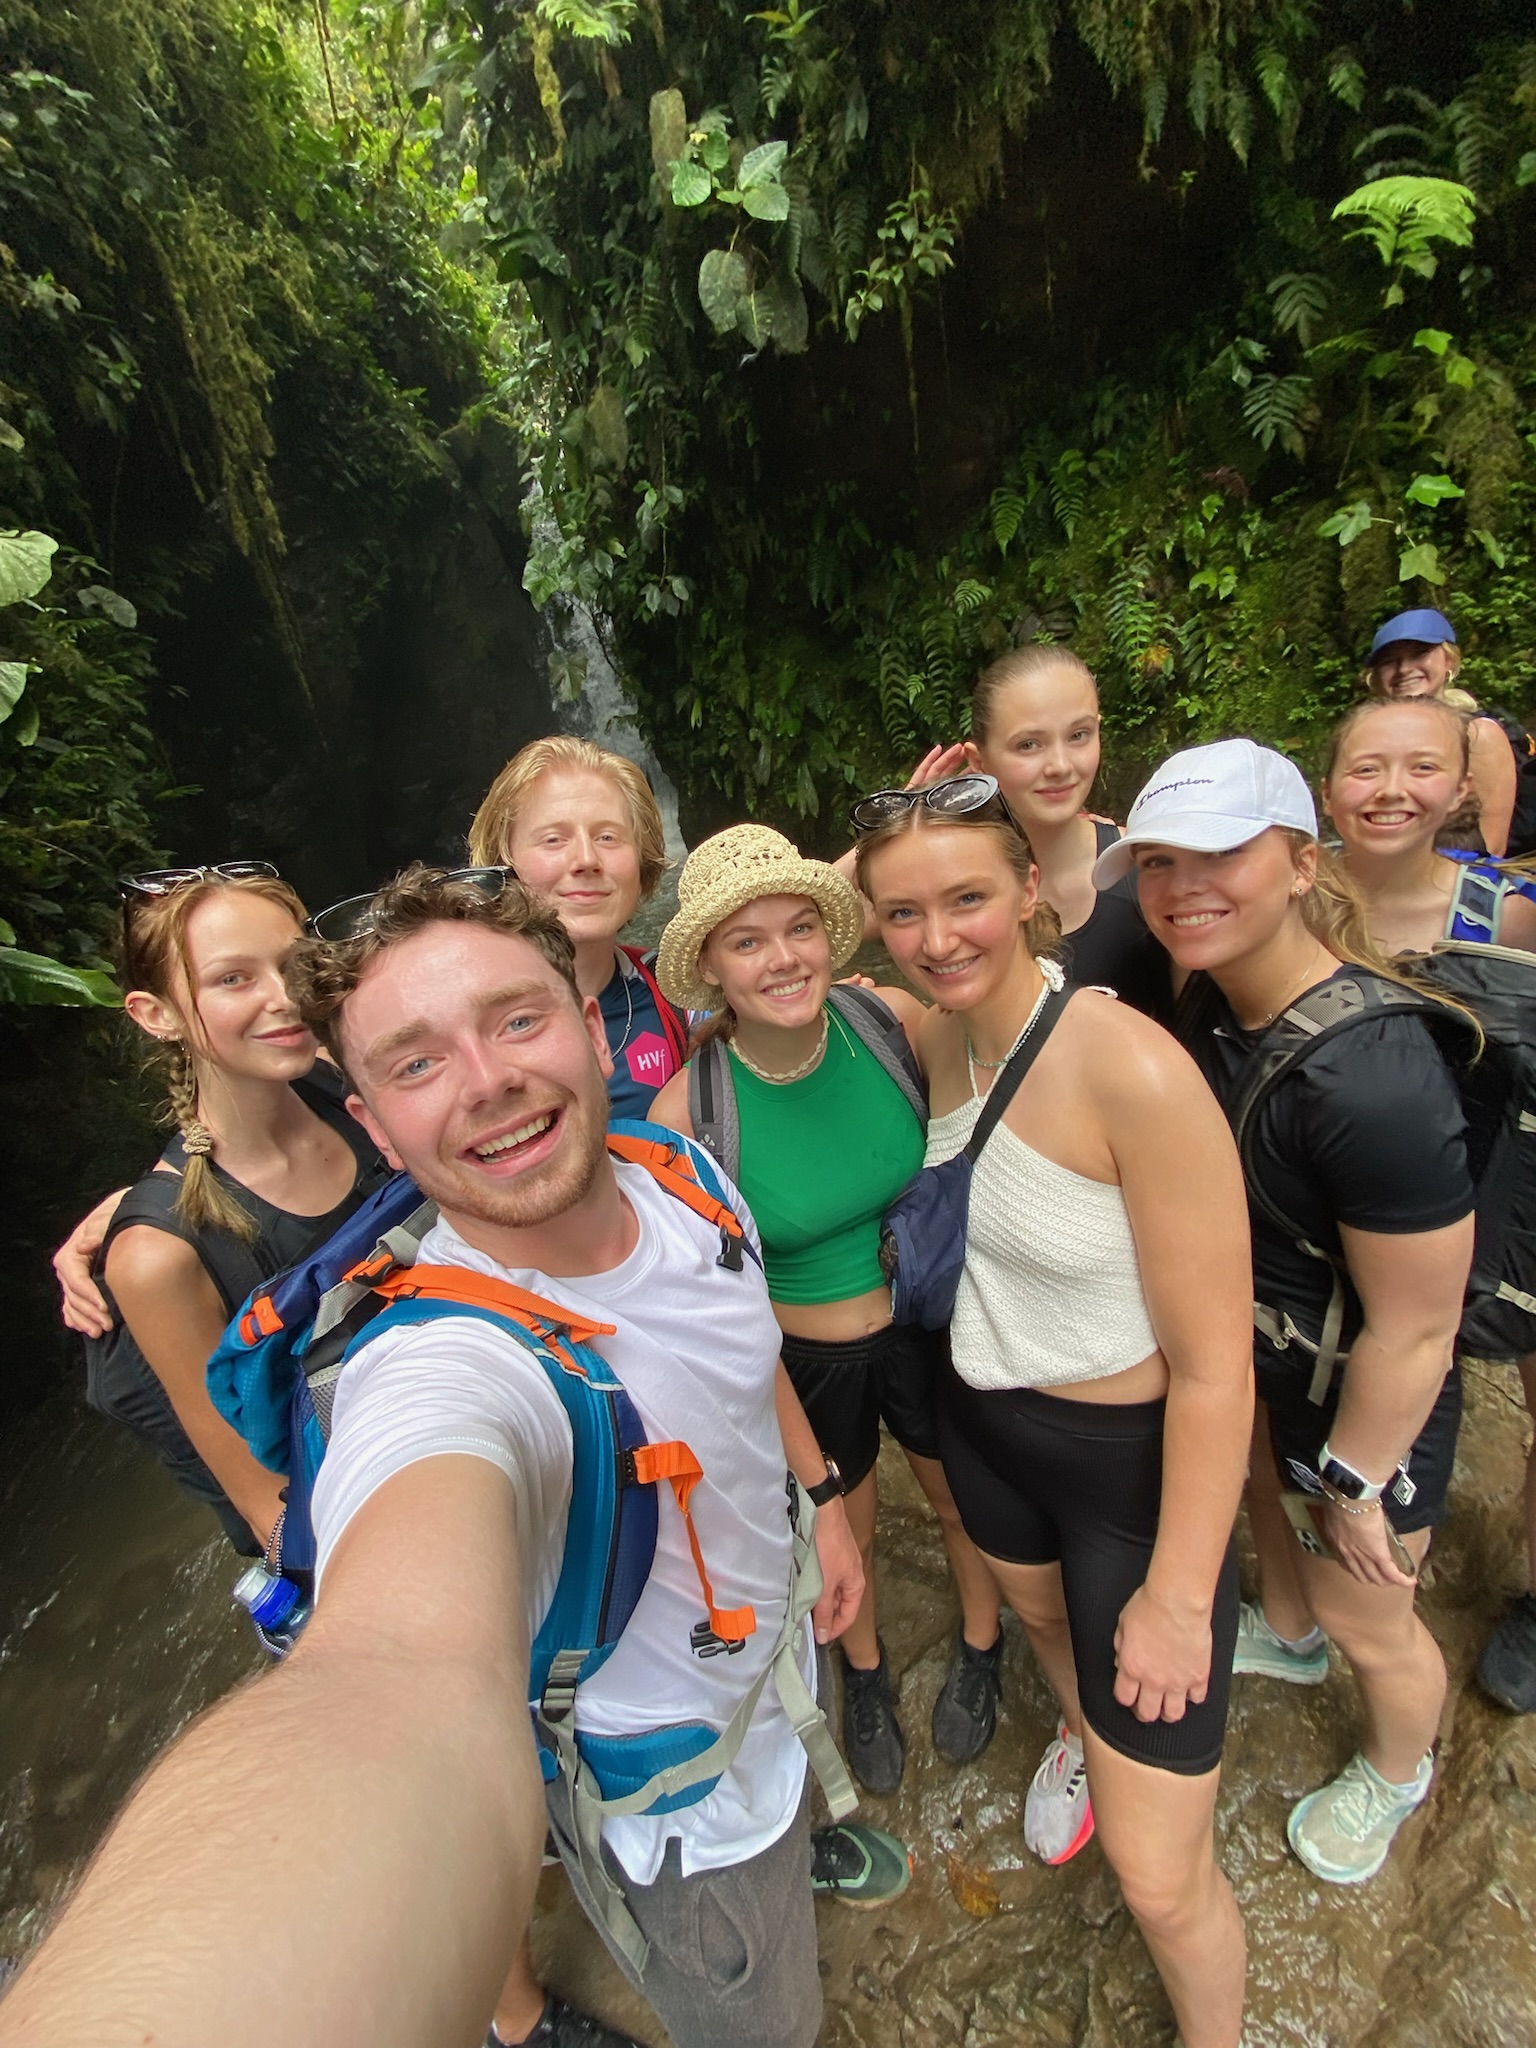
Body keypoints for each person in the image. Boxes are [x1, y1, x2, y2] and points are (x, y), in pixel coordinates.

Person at [0, 867, 868, 2048]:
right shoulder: (441, 1369)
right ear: (375, 1120)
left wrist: (822, 1500)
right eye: (414, 1062)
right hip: (681, 1795)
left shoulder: (688, 1176)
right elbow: (397, 1665)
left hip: (777, 1650)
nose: (487, 1077)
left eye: (517, 1017)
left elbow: (742, 1355)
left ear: (592, 1020)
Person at [856, 774, 1252, 2048]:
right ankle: (1086, 1733)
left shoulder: (1133, 1067)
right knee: (1045, 1627)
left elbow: (1218, 1368)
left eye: (967, 897)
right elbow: (757, 970)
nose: (937, 937)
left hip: (1126, 1472)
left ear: (1036, 888)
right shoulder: (928, 1035)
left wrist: (1180, 1596)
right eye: (903, 912)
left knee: (1160, 1877)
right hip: (987, 1430)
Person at [1113, 738, 1474, 1886]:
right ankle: (1294, 1634)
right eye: (1159, 861)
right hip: (1277, 1355)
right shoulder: (1216, 998)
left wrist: (1358, 1481)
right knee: (1273, 1509)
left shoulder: (1374, 1078)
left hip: (1370, 1398)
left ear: (1304, 864)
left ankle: (1398, 1766)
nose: (1182, 886)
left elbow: (1420, 1324)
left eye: (1220, 853)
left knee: (1371, 1609)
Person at [647, 826, 1005, 1796]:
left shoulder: (887, 1020)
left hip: (928, 1323)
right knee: (847, 1527)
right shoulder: (690, 1114)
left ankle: (983, 1642)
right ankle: (867, 1672)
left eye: (799, 928)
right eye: (748, 941)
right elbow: (707, 1303)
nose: (782, 958)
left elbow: (999, 1082)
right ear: (712, 966)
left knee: (958, 1500)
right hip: (809, 1365)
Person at [1320, 698, 1536, 1713]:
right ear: (1329, 789)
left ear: (1461, 789)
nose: (1392, 791)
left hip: (1491, 1196)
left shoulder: (1507, 913)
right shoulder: (1299, 890)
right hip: (1349, 1212)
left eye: (1420, 768)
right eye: (1367, 768)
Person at [81, 863, 389, 1553]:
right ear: (156, 1015)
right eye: (233, 979)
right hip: (370, 1509)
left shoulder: (348, 1079)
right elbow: (267, 1508)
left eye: (291, 964)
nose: (283, 997)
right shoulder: (159, 1256)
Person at [838, 645, 1171, 1014]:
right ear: (979, 761)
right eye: (1028, 745)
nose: (1060, 765)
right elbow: (800, 929)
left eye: (1079, 735)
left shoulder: (1146, 865)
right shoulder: (941, 881)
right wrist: (896, 824)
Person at [468, 736, 687, 1116]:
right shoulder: (452, 1018)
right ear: (504, 862)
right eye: (554, 839)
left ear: (641, 862)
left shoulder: (682, 996)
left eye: (607, 837)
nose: (587, 859)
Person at [1362, 606, 1530, 858]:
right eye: (1389, 660)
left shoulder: (1478, 735)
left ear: (1448, 661)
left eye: (1419, 653)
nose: (1404, 668)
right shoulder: (1369, 740)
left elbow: (1492, 847)